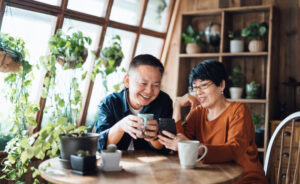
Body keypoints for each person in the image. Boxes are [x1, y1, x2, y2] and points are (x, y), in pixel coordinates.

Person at [158, 60, 268, 183]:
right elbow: (179, 142)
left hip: (245, 179)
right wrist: (177, 105)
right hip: (213, 178)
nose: (198, 93)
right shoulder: (197, 113)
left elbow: (234, 150)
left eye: (204, 86)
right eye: (195, 88)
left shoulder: (238, 110)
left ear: (221, 85)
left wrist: (195, 148)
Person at [94, 54, 173, 151]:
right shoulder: (109, 103)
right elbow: (99, 145)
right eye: (143, 83)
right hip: (115, 162)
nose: (149, 91)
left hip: (150, 164)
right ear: (127, 81)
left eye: (156, 85)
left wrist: (155, 137)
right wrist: (120, 126)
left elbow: (167, 148)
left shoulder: (164, 102)